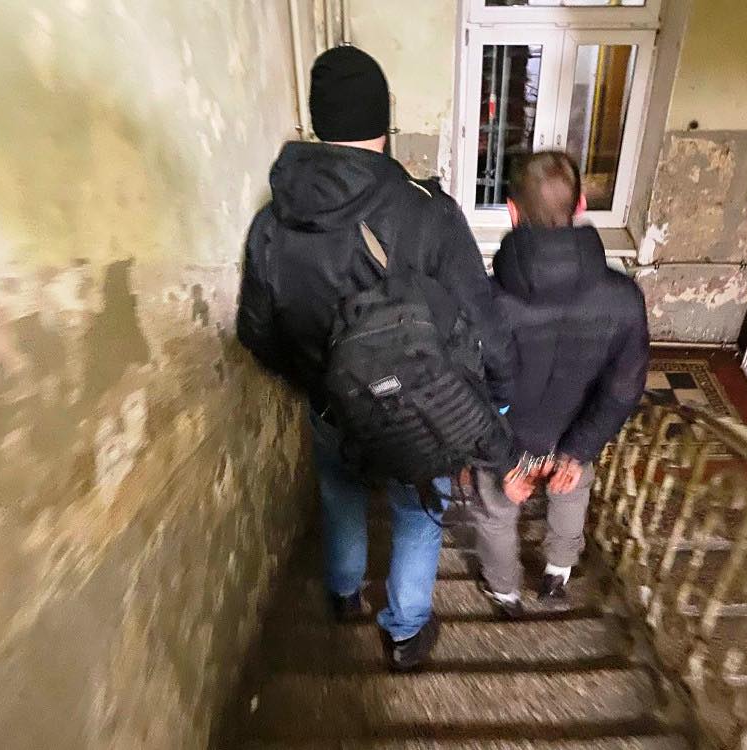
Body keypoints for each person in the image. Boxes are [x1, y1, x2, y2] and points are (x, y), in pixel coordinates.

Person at [236, 46, 515, 670]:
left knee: (340, 495)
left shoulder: (270, 225)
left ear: (317, 122)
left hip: (330, 408)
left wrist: (318, 381)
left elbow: (255, 332)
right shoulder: (429, 213)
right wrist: (496, 403)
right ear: (384, 117)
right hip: (420, 412)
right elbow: (485, 325)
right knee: (416, 512)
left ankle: (343, 594)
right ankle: (406, 633)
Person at [471, 151, 649, 618]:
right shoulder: (624, 298)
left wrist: (504, 460)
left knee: (496, 511)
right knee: (572, 491)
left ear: (512, 211)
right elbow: (624, 387)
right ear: (581, 205)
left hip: (506, 437)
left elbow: (470, 390)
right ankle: (558, 573)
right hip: (572, 431)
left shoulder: (485, 302)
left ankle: (504, 593)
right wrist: (578, 449)